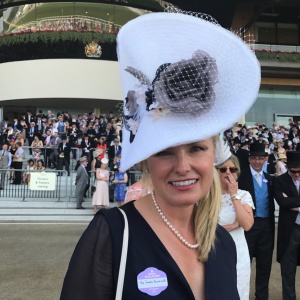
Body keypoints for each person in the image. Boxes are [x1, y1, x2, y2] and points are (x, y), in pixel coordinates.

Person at [60, 9, 260, 299]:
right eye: (165, 153)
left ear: (213, 155)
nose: (183, 166)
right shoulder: (112, 236)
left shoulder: (222, 244)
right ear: (147, 162)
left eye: (196, 148)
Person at [215, 139, 254, 300]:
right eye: (223, 169)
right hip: (214, 248)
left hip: (238, 250)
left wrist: (233, 194)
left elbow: (247, 224)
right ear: (216, 171)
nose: (228, 173)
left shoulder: (244, 195)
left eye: (232, 169)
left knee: (239, 288)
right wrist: (230, 226)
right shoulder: (206, 197)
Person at [238, 142, 275, 299]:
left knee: (264, 265)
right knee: (244, 264)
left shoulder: (270, 178)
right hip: (247, 226)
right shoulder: (241, 176)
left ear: (266, 159)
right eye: (254, 158)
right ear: (249, 159)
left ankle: (261, 296)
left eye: (261, 158)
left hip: (266, 225)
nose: (258, 161)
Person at [274, 151, 300, 300]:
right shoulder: (280, 181)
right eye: (293, 171)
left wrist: (293, 202)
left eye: (299, 171)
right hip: (289, 230)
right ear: (287, 167)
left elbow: (287, 202)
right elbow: (282, 203)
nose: (296, 175)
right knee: (288, 269)